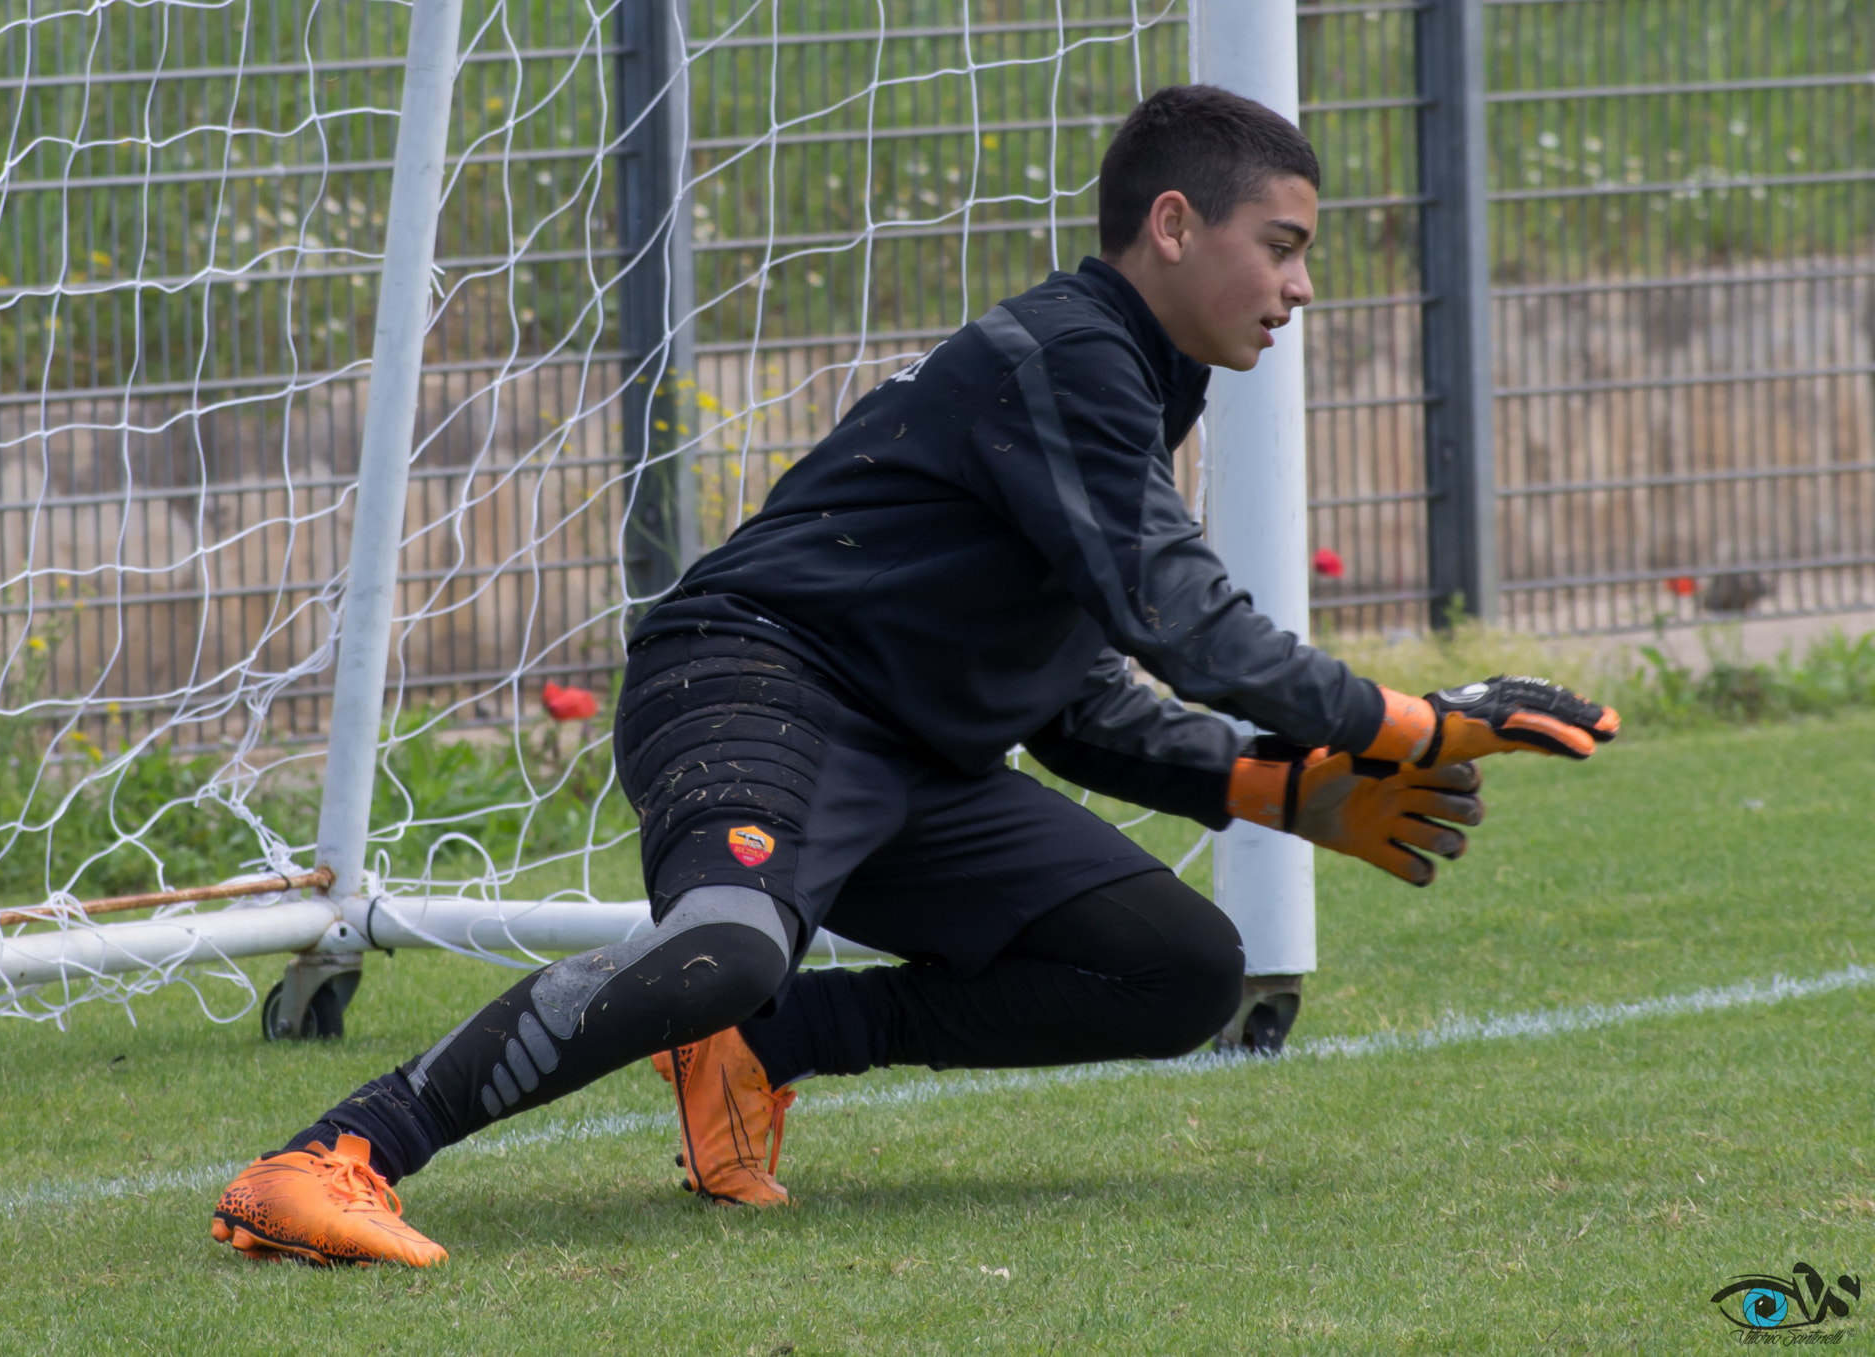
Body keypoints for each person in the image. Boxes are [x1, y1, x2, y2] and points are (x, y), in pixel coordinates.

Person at [208, 84, 1617, 1267]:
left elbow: (1071, 701)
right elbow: (1175, 613)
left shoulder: (1130, 389)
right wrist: (1413, 720)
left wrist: (1280, 790)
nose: (1303, 286)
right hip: (753, 687)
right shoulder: (1072, 356)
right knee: (725, 940)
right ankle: (334, 1151)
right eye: (1285, 245)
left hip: (911, 767)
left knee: (1180, 968)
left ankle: (758, 1047)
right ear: (1175, 227)